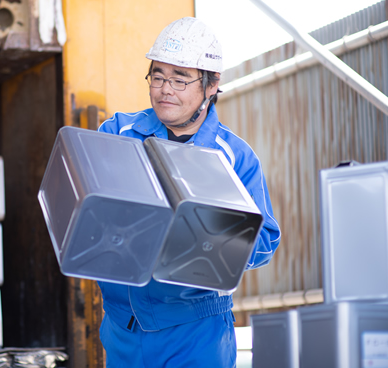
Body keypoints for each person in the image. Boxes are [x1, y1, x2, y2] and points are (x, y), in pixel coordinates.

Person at [96, 17, 281, 367]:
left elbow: (265, 240)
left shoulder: (233, 158)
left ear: (211, 85)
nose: (165, 89)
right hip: (123, 326)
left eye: (180, 79)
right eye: (158, 76)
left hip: (196, 332)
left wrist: (210, 239)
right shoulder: (121, 131)